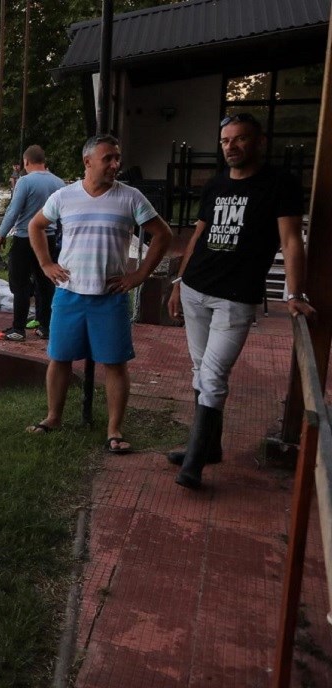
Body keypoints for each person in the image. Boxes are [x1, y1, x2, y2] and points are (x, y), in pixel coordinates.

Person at [166, 113, 314, 489]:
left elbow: (292, 241)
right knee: (200, 371)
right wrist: (178, 282)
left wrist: (293, 293)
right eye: (226, 141)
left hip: (235, 298)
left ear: (259, 142)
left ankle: (195, 461)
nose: (231, 146)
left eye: (240, 139)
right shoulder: (215, 185)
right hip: (196, 289)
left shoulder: (280, 185)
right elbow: (198, 236)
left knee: (213, 375)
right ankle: (209, 448)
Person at [25, 134, 173, 453]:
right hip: (69, 294)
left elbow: (163, 234)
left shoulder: (131, 197)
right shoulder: (64, 196)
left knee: (115, 363)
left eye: (117, 158)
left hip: (110, 295)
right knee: (60, 358)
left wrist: (140, 274)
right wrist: (47, 263)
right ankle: (53, 417)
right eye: (108, 158)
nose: (115, 164)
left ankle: (114, 431)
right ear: (87, 161)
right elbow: (35, 226)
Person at [0, 145, 66, 341]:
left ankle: (18, 329)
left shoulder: (25, 182)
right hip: (49, 239)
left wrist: (1, 234)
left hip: (25, 239)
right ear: (44, 161)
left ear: (26, 162)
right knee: (45, 283)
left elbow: (13, 210)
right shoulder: (59, 183)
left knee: (20, 285)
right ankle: (45, 327)